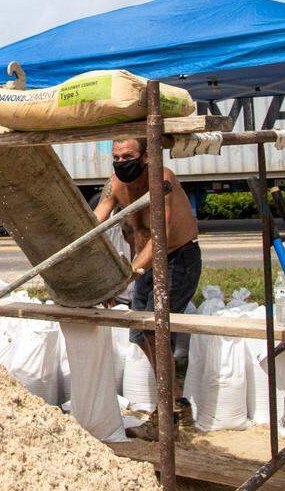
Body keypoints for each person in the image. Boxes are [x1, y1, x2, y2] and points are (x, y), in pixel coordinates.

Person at [93, 136, 201, 432]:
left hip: (178, 259)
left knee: (156, 328)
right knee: (142, 334)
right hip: (145, 266)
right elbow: (95, 223)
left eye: (127, 156)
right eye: (116, 156)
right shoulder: (116, 183)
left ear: (145, 157)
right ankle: (176, 403)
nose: (120, 162)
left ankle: (167, 417)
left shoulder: (161, 180)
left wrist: (127, 274)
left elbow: (162, 236)